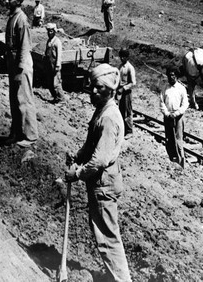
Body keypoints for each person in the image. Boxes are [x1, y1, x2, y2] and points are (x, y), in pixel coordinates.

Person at [65, 63, 132, 282]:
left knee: (108, 239)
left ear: (110, 89)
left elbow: (100, 159)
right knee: (105, 234)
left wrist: (77, 173)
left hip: (103, 184)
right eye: (92, 87)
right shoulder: (102, 110)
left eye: (99, 88)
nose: (93, 91)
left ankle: (121, 279)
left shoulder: (109, 118)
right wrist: (77, 157)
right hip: (103, 181)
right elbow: (91, 145)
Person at [4, 0, 38, 148]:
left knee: (24, 98)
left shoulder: (22, 19)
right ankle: (16, 132)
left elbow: (25, 46)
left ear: (17, 1)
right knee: (14, 99)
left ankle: (31, 135)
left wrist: (19, 67)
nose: (6, 1)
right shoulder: (12, 16)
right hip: (13, 62)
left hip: (21, 64)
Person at [160, 66, 189, 168]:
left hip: (178, 117)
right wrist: (167, 113)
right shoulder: (165, 88)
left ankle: (181, 162)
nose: (171, 77)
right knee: (169, 139)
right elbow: (162, 102)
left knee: (178, 139)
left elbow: (185, 104)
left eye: (173, 75)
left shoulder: (181, 89)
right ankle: (172, 159)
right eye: (169, 75)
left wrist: (176, 114)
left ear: (176, 76)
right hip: (168, 116)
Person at [117, 48, 136, 139]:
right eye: (121, 56)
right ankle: (122, 129)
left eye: (123, 57)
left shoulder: (130, 68)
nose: (121, 58)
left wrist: (124, 88)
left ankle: (129, 131)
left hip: (126, 92)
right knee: (120, 110)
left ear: (127, 57)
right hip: (120, 91)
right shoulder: (120, 66)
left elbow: (133, 83)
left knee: (127, 112)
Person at [44, 23, 65, 103]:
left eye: (51, 31)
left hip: (55, 65)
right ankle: (55, 97)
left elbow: (59, 55)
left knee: (56, 83)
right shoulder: (49, 41)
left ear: (54, 32)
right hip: (49, 65)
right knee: (50, 83)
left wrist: (57, 65)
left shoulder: (57, 42)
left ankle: (61, 99)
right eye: (48, 31)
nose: (49, 33)